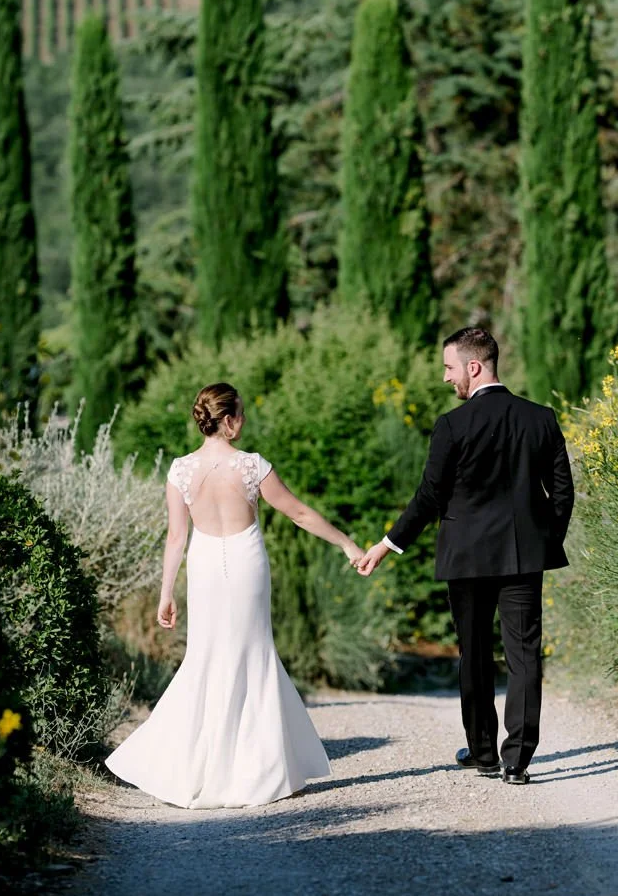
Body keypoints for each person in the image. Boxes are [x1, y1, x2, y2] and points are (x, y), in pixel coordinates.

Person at [105, 382, 364, 808]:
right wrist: (345, 543)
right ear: (227, 421)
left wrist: (166, 593)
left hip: (203, 567)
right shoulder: (252, 466)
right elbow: (297, 512)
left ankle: (200, 770)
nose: (243, 421)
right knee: (252, 655)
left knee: (206, 658)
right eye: (240, 414)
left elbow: (175, 537)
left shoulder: (179, 470)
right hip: (245, 564)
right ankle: (260, 772)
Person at [357, 328, 574, 785]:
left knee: (473, 652)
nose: (445, 378)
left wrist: (386, 543)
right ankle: (518, 760)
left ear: (473, 368)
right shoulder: (541, 418)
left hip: (468, 557)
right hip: (524, 555)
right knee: (524, 656)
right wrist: (542, 539)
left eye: (448, 368)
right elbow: (562, 493)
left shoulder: (452, 425)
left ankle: (483, 753)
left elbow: (429, 497)